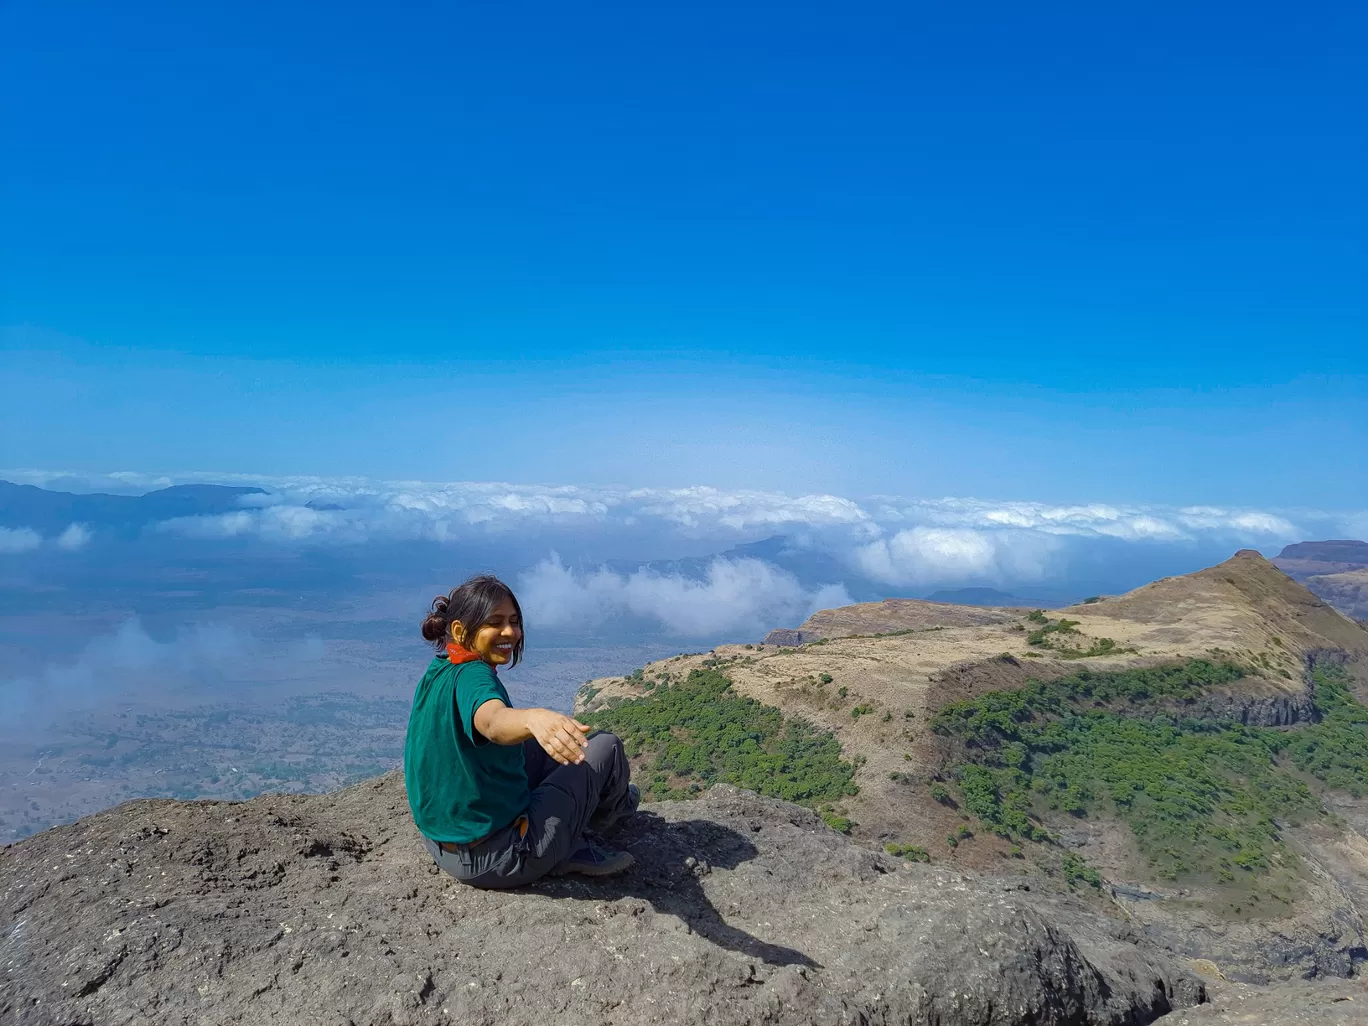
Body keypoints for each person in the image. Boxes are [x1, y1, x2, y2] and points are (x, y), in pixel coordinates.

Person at [404, 574, 638, 887]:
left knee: (546, 746)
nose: (510, 632)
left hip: (443, 846)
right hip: (501, 856)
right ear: (460, 630)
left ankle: (574, 820)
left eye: (514, 621)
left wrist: (533, 729)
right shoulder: (474, 677)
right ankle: (588, 832)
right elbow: (492, 722)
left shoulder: (442, 669)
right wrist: (532, 718)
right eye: (495, 622)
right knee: (604, 746)